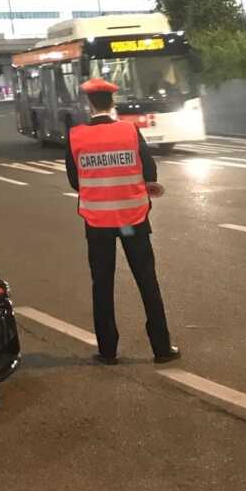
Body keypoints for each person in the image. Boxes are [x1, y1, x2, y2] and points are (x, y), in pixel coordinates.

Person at [65, 78, 180, 366]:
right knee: (147, 280)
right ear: (112, 102)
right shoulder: (129, 130)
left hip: (98, 223)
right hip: (132, 221)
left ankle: (108, 351)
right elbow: (149, 169)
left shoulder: (76, 135)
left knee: (102, 284)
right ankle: (161, 348)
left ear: (90, 104)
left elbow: (74, 180)